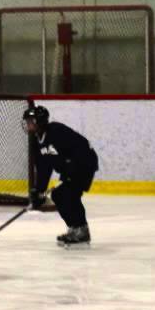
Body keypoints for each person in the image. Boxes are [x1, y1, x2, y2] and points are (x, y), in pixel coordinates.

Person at [24, 105, 99, 247]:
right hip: (69, 169)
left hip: (84, 164)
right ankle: (74, 229)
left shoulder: (56, 131)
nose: (28, 125)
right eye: (27, 122)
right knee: (58, 195)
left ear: (40, 122)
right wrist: (39, 191)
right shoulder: (36, 141)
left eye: (30, 121)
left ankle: (82, 230)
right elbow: (43, 168)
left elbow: (81, 147)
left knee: (69, 194)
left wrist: (72, 170)